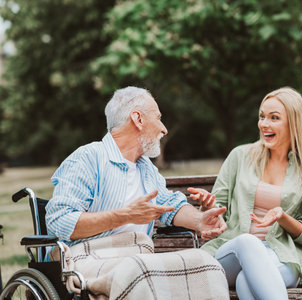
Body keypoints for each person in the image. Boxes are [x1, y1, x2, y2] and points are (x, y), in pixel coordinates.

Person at [45, 86, 229, 299]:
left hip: (139, 255)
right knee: (140, 271)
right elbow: (59, 220)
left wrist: (200, 220)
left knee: (205, 264)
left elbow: (170, 205)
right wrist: (124, 216)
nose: (164, 129)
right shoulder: (88, 158)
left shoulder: (146, 168)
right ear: (138, 119)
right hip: (87, 256)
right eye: (158, 118)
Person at [189, 87, 302, 300]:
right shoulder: (240, 156)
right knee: (247, 242)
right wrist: (208, 205)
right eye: (262, 116)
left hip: (281, 257)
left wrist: (283, 218)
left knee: (247, 281)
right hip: (232, 252)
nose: (264, 124)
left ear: (294, 123)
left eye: (274, 118)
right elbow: (218, 214)